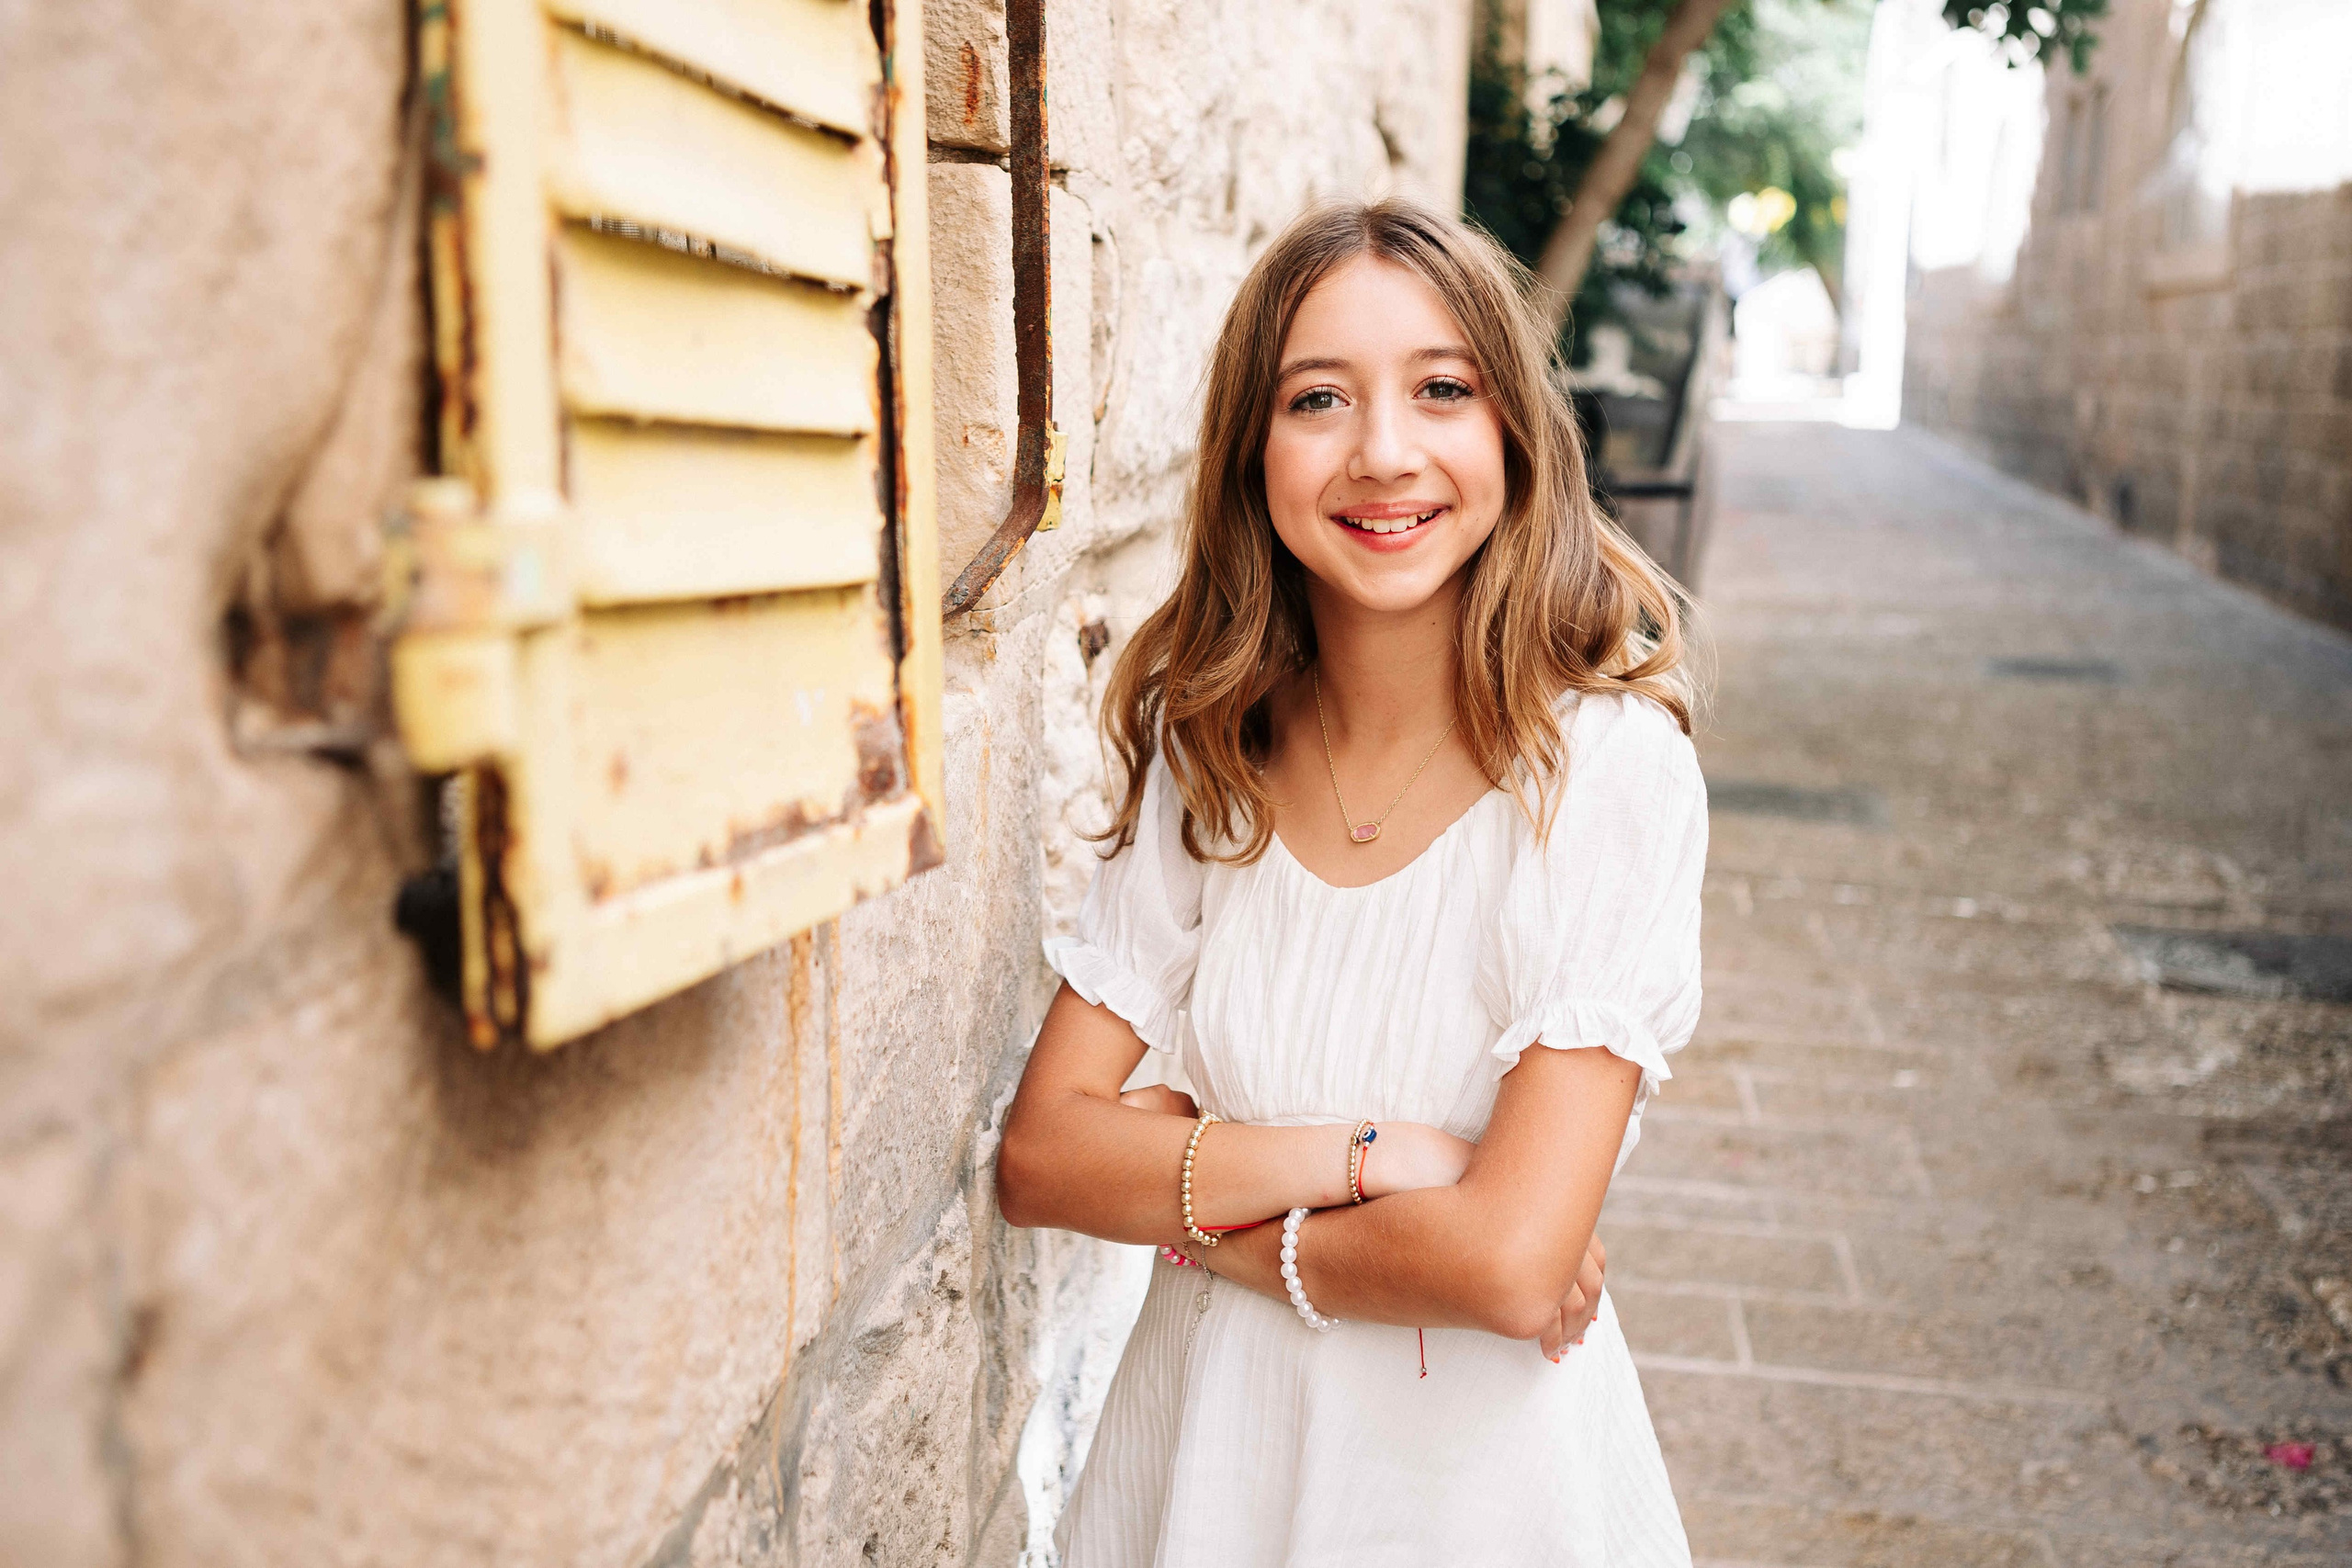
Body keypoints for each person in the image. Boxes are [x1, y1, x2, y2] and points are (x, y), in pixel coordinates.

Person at [995, 197, 1706, 1566]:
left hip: (1471, 1496)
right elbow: (1044, 1159)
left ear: (1512, 432)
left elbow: (1508, 1266)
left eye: (1443, 389)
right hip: (1206, 1461)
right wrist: (1381, 1163)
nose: (1385, 453)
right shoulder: (1215, 753)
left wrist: (1194, 1211)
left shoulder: (1607, 772)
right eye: (1318, 398)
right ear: (1252, 454)